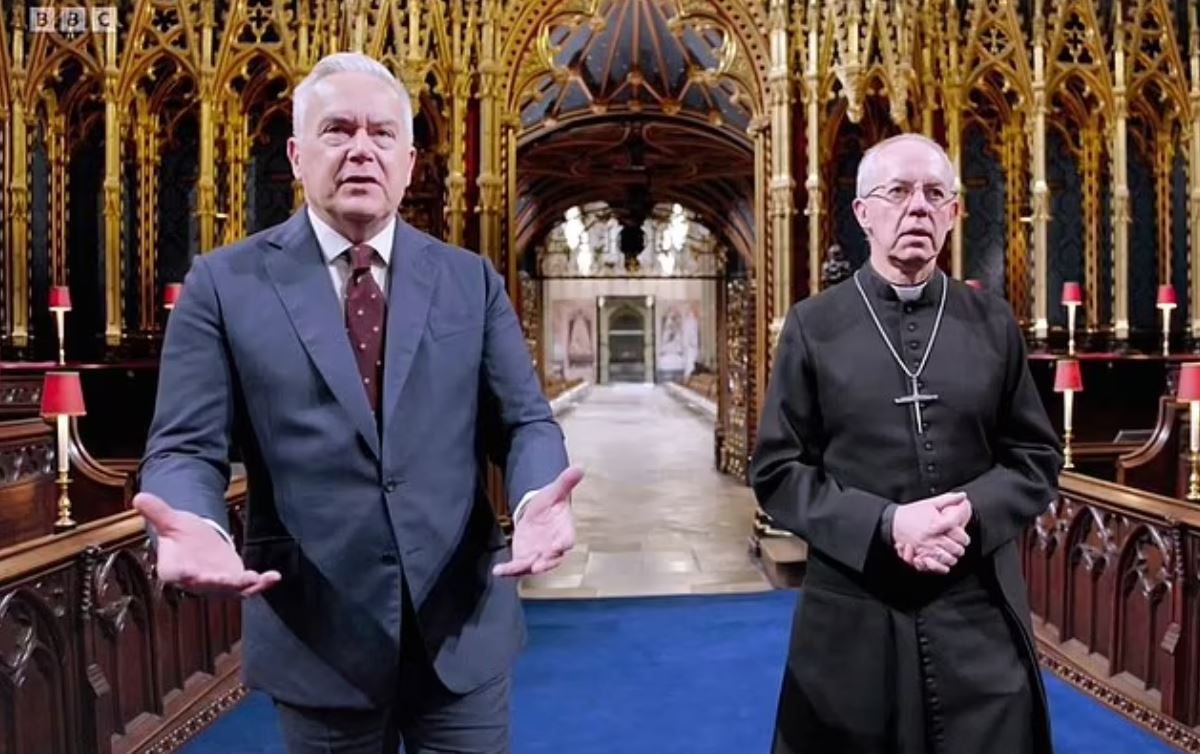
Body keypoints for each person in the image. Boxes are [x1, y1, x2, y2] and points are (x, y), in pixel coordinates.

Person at [135, 52, 581, 754]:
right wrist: (192, 520)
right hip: (318, 631)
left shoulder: (470, 281)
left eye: (382, 134)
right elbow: (185, 447)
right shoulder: (223, 286)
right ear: (296, 155)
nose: (361, 150)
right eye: (338, 130)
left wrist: (533, 499)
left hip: (460, 626)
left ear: (409, 162)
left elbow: (524, 422)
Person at [750, 133, 1062, 754]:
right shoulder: (814, 325)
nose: (918, 207)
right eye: (897, 191)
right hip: (856, 608)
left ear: (953, 213)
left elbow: (1036, 458)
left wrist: (967, 511)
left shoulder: (993, 323)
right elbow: (778, 470)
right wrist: (888, 524)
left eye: (934, 194)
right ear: (863, 213)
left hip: (976, 606)